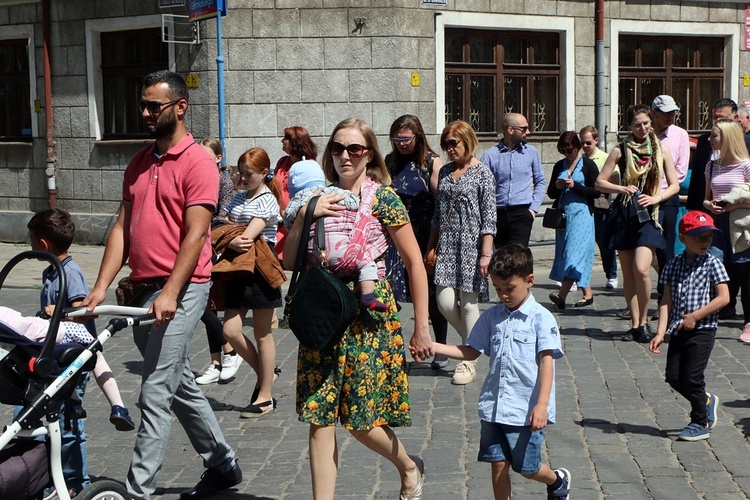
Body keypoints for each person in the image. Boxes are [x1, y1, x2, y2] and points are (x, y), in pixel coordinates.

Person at [81, 70, 240, 500]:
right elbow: (122, 228)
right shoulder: (139, 161)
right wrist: (100, 288)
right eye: (143, 105)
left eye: (155, 106)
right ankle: (223, 464)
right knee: (177, 382)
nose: (146, 113)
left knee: (155, 388)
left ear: (180, 107)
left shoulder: (198, 162)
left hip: (184, 288)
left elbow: (196, 233)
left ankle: (138, 490)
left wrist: (171, 292)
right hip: (143, 289)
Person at [283, 117, 433, 500]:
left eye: (354, 149)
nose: (344, 156)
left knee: (361, 421)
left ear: (369, 154)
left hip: (369, 315)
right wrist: (305, 215)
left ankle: (408, 466)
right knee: (319, 418)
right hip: (324, 310)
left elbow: (415, 262)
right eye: (337, 148)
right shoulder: (317, 197)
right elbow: (288, 260)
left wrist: (421, 326)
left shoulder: (384, 197)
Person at [428, 244, 570, 500]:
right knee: (498, 464)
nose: (503, 295)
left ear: (529, 281)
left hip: (525, 410)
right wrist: (434, 346)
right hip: (494, 406)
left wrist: (542, 405)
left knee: (527, 468)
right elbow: (471, 352)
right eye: (497, 288)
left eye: (509, 288)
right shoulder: (492, 317)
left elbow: (547, 364)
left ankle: (557, 480)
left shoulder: (541, 319)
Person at [26, 208, 135, 499]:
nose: (30, 244)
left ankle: (76, 481)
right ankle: (58, 477)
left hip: (74, 356)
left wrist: (57, 312)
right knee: (56, 420)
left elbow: (82, 312)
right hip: (56, 355)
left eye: (32, 239)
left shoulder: (69, 272)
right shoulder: (50, 271)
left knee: (69, 424)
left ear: (43, 244)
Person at [596, 104, 679, 344]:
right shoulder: (619, 150)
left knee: (643, 268)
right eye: (637, 124)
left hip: (649, 215)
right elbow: (600, 181)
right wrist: (621, 187)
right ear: (629, 126)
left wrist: (656, 198)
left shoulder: (661, 149)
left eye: (646, 123)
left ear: (651, 122)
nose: (642, 128)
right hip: (625, 213)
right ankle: (635, 324)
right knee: (629, 273)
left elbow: (673, 185)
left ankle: (644, 320)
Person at [649, 211, 729, 441]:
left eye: (708, 237)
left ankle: (700, 421)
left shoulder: (713, 263)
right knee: (674, 377)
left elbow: (723, 297)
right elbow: (666, 300)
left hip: (703, 329)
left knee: (692, 378)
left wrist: (695, 316)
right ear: (683, 238)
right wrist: (660, 333)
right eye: (698, 237)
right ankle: (705, 399)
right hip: (678, 328)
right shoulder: (673, 265)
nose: (705, 242)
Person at [427, 120, 496, 385]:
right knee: (444, 303)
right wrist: (430, 246)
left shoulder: (483, 173)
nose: (449, 149)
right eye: (446, 144)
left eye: (453, 143)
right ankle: (475, 343)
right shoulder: (444, 171)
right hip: (446, 245)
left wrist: (485, 254)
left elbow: (489, 217)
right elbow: (437, 214)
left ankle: (468, 361)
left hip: (472, 246)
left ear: (468, 140)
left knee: (468, 304)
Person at [221, 147, 283, 417]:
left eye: (248, 174)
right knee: (230, 330)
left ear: (263, 173)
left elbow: (246, 237)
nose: (243, 179)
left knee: (262, 333)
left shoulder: (268, 200)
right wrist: (227, 234)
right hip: (237, 268)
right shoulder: (239, 197)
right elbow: (220, 222)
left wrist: (228, 235)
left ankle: (265, 396)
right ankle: (266, 373)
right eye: (240, 173)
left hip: (260, 269)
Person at [384, 114, 449, 369]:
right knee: (391, 290)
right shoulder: (389, 162)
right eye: (397, 139)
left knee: (431, 294)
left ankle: (440, 347)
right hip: (395, 234)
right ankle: (392, 347)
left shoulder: (431, 163)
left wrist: (437, 243)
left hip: (424, 234)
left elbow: (441, 204)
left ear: (418, 137)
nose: (401, 144)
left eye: (406, 139)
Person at [284, 157, 388, 312]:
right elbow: (354, 202)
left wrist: (302, 216)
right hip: (345, 250)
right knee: (366, 261)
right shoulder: (333, 192)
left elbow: (288, 223)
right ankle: (368, 295)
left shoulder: (294, 204)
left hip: (320, 259)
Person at [194, 137, 243, 385]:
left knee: (205, 304)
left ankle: (230, 351)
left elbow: (222, 214)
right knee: (206, 305)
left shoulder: (222, 181)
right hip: (201, 242)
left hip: (214, 245)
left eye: (205, 155)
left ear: (218, 157)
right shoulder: (197, 177)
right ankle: (216, 361)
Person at [701, 118, 750, 342]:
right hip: (717, 225)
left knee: (745, 274)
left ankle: (748, 322)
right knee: (714, 269)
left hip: (740, 226)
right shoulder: (711, 165)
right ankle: (707, 314)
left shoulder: (745, 165)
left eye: (714, 135)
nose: (710, 139)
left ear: (728, 137)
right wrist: (709, 205)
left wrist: (735, 204)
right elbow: (706, 198)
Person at [547, 131, 600, 310]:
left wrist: (575, 186)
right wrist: (558, 185)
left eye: (569, 149)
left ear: (577, 147)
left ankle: (562, 296)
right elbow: (550, 192)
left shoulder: (588, 165)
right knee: (568, 253)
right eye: (563, 150)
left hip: (582, 214)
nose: (566, 153)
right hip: (564, 216)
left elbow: (597, 191)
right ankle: (588, 294)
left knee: (573, 255)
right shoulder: (559, 165)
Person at [480, 113, 546, 248]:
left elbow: (540, 181)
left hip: (522, 212)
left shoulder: (531, 152)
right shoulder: (490, 156)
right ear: (510, 130)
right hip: (498, 213)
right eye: (524, 128)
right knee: (501, 258)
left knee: (518, 257)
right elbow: (482, 187)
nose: (528, 132)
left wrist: (533, 210)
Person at [651, 96, 691, 309]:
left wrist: (660, 193)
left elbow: (681, 172)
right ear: (654, 113)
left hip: (667, 198)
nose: (670, 116)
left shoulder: (680, 135)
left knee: (665, 250)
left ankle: (664, 299)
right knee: (645, 251)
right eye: (665, 112)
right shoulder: (645, 133)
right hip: (645, 199)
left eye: (673, 112)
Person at [686, 98, 750, 212]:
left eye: (723, 118)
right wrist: (693, 208)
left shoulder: (747, 143)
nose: (718, 121)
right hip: (708, 212)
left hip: (738, 216)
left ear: (735, 118)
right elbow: (697, 176)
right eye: (715, 117)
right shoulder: (704, 140)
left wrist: (734, 206)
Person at [272, 126, 319, 261]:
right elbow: (275, 188)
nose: (282, 141)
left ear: (295, 142)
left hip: (298, 220)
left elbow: (312, 193)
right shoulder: (282, 162)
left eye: (286, 138)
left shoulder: (309, 165)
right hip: (279, 221)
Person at [580, 125, 618, 289]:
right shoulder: (578, 159)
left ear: (596, 140)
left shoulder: (605, 158)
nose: (585, 146)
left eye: (588, 143)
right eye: (582, 143)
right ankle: (578, 278)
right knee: (581, 244)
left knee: (605, 243)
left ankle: (612, 276)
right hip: (583, 207)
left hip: (602, 207)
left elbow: (615, 182)